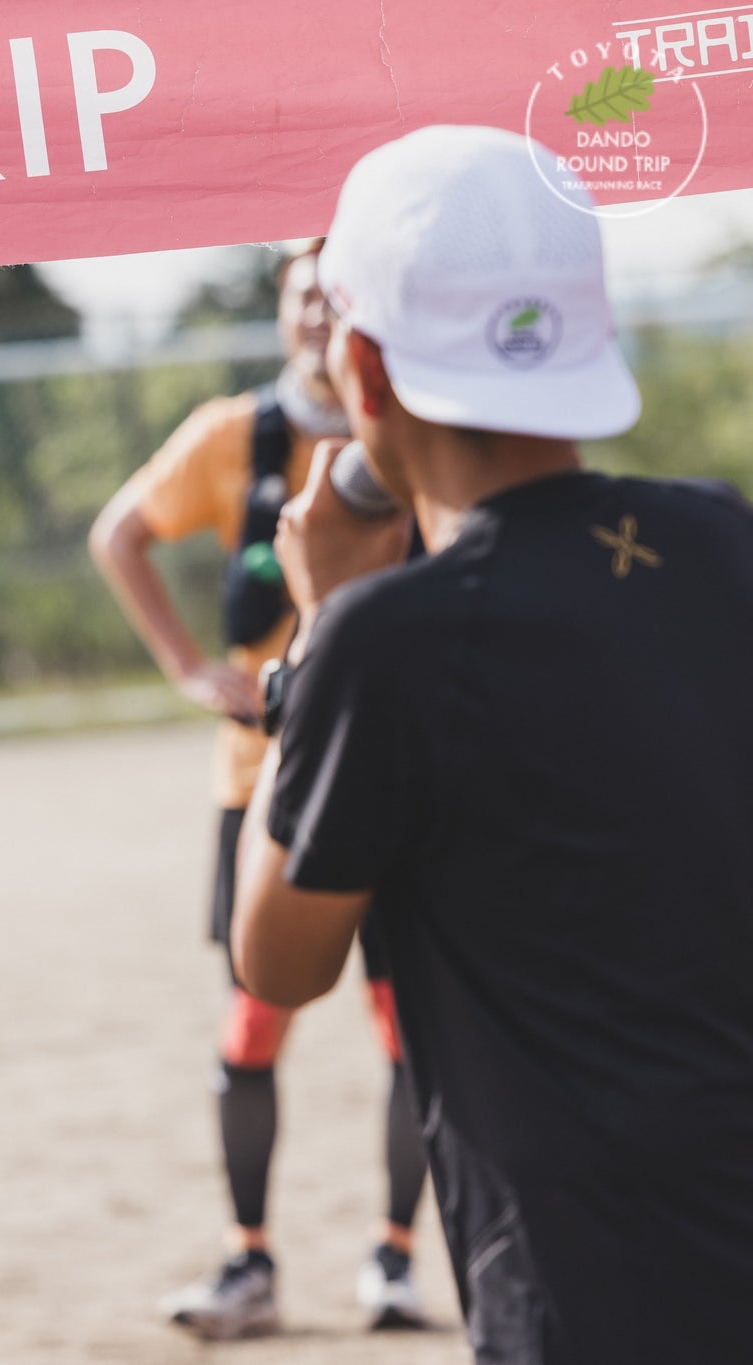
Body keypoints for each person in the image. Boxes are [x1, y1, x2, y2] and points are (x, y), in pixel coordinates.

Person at [233, 123, 753, 1365]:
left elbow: (276, 959)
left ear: (363, 370)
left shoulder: (384, 642)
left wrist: (316, 626)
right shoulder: (720, 537)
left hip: (589, 1279)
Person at [89, 241, 428, 1338]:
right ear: (282, 310)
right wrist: (191, 667)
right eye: (303, 293)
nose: (321, 311)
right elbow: (118, 534)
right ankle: (250, 1262)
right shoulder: (235, 434)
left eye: (341, 291)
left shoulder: (418, 426)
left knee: (409, 1028)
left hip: (403, 775)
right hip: (265, 775)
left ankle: (394, 1260)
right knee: (253, 1020)